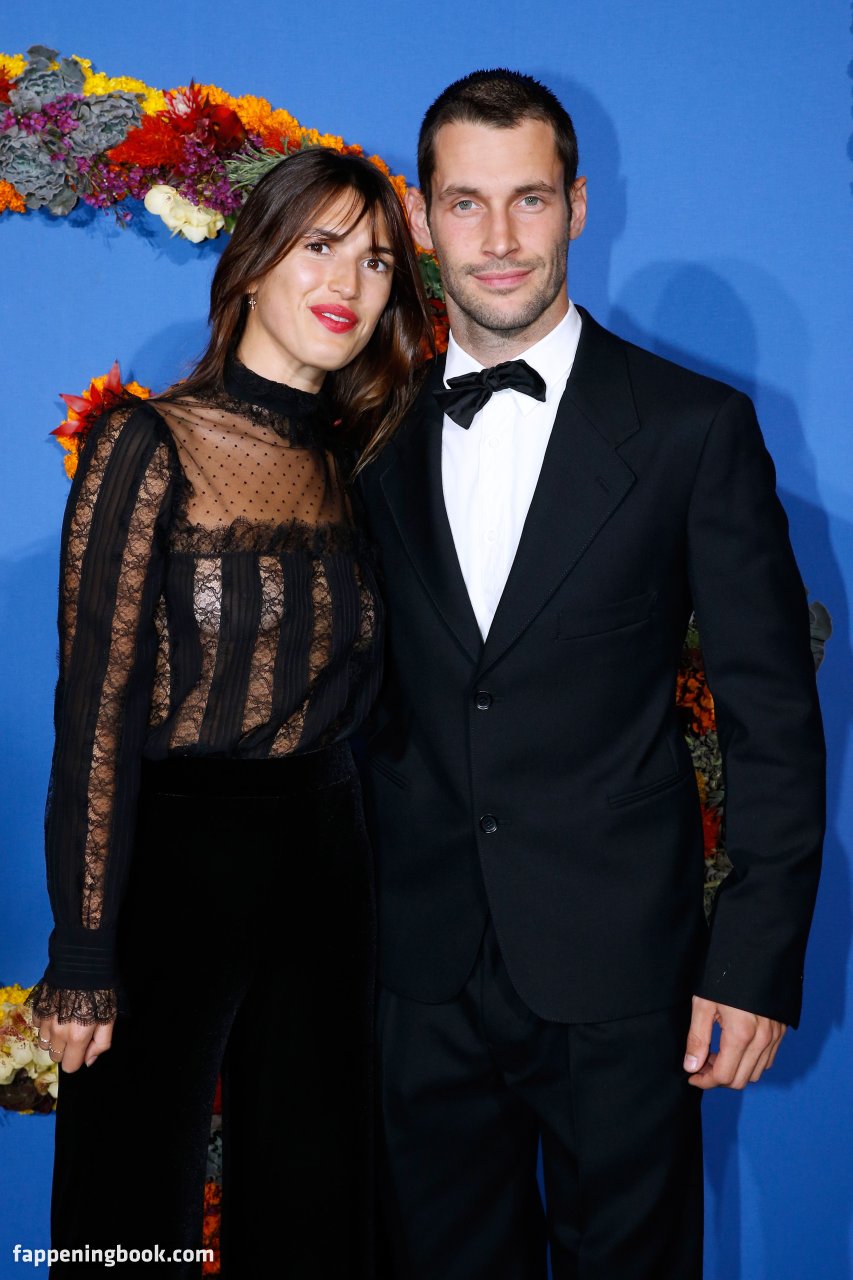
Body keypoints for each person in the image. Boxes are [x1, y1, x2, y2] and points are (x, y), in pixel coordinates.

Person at [357, 70, 825, 1279]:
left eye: (528, 199)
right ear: (421, 218)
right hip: (417, 970)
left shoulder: (690, 427)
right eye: (465, 204)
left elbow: (773, 717)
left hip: (623, 971)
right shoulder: (365, 433)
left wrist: (753, 963)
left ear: (575, 205)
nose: (498, 239)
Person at [27, 147, 434, 1277]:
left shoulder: (360, 462)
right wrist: (83, 947)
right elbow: (94, 709)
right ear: (252, 262)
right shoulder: (146, 443)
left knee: (316, 1208)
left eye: (377, 261)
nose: (347, 281)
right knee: (123, 1220)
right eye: (319, 245)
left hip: (329, 859)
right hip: (174, 864)